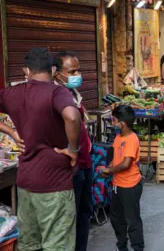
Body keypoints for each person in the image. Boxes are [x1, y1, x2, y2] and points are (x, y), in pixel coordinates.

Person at [0, 48, 82, 250]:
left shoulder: (12, 93)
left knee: (29, 245)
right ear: (53, 69)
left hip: (26, 183)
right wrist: (74, 149)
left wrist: (11, 131)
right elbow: (72, 116)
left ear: (26, 70)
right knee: (57, 245)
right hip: (55, 183)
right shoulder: (57, 92)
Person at [53, 51, 93, 251]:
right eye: (72, 71)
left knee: (85, 213)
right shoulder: (56, 96)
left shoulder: (74, 95)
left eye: (78, 70)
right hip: (73, 166)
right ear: (57, 73)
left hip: (86, 162)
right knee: (72, 216)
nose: (77, 74)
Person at [99, 105, 144, 251]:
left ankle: (137, 247)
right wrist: (108, 169)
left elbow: (126, 164)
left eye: (114, 120)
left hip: (130, 186)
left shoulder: (132, 139)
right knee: (117, 219)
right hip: (117, 185)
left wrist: (109, 170)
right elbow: (116, 159)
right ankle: (122, 246)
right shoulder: (119, 137)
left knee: (132, 220)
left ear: (122, 124)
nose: (112, 123)